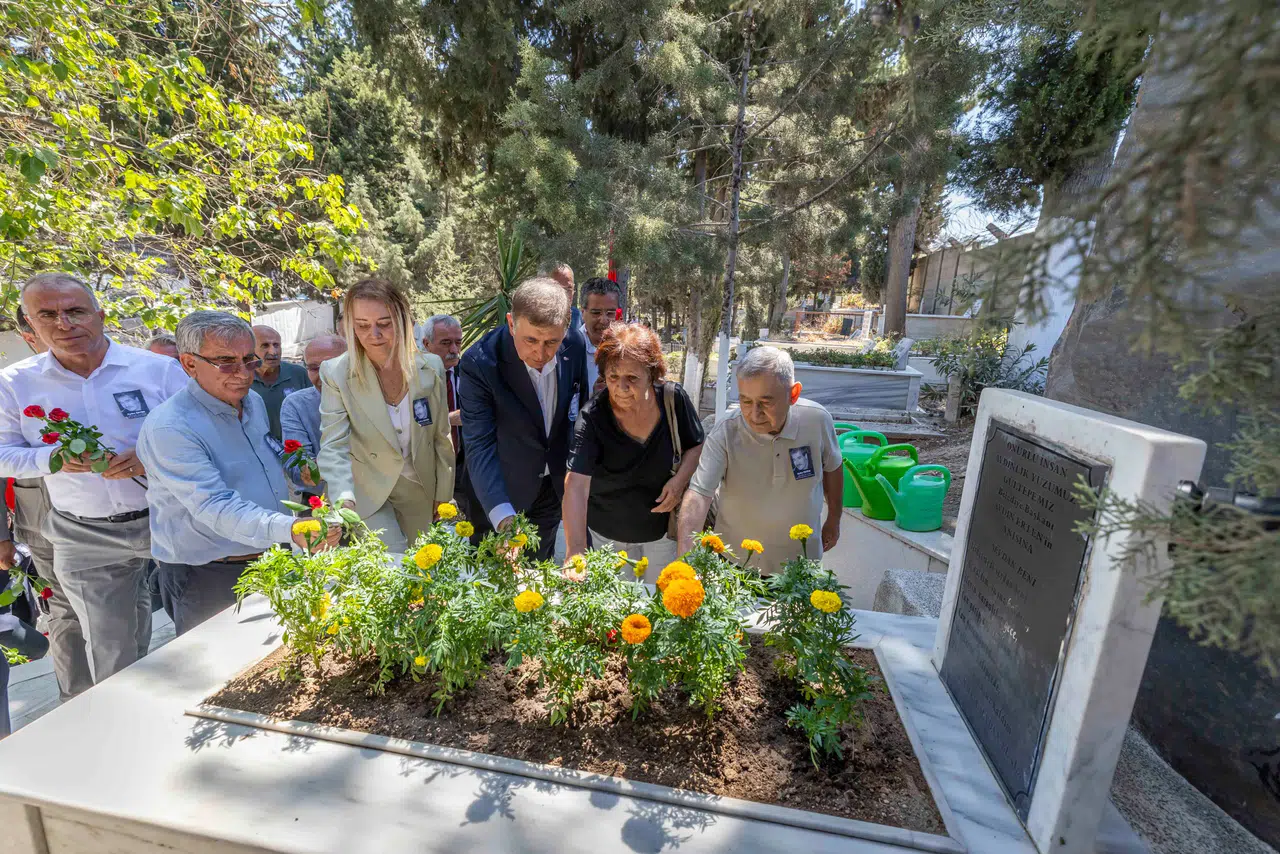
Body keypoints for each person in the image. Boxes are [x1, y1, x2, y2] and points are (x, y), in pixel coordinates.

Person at [0, 273, 187, 683]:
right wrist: (54, 458)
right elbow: (2, 454)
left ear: (100, 316)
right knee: (112, 650)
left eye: (75, 311)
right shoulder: (14, 384)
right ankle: (128, 717)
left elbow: (200, 436)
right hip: (85, 535)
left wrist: (150, 458)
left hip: (169, 518)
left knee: (202, 622)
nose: (64, 324)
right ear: (30, 325)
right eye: (48, 315)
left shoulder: (158, 371)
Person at [136, 312, 341, 635]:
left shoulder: (252, 401)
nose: (243, 374)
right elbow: (215, 507)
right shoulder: (171, 427)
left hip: (270, 556)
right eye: (226, 362)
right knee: (220, 664)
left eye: (249, 360)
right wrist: (291, 528)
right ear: (189, 364)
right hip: (210, 576)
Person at [677, 345, 842, 574]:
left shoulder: (817, 420)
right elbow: (699, 494)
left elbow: (833, 467)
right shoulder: (726, 431)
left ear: (793, 394)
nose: (754, 414)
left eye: (766, 402)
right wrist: (685, 561)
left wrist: (834, 518)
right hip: (737, 565)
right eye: (746, 401)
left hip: (801, 566)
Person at [317, 279, 454, 553]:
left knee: (423, 566)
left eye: (384, 323)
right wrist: (343, 497)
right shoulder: (336, 373)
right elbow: (333, 444)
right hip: (365, 492)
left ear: (402, 320)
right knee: (392, 562)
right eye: (362, 325)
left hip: (419, 487)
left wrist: (444, 494)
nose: (374, 334)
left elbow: (441, 436)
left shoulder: (431, 367)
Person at [0, 308, 93, 702]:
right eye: (47, 323)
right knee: (65, 609)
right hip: (44, 518)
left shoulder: (93, 375)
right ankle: (78, 698)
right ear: (30, 335)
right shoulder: (13, 385)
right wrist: (2, 537)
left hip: (107, 514)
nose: (63, 330)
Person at [458, 277, 588, 560]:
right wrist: (503, 519)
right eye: (530, 340)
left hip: (551, 491)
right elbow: (479, 445)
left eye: (552, 342)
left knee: (539, 574)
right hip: (497, 494)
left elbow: (578, 416)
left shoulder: (575, 345)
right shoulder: (479, 363)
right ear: (511, 322)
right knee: (490, 579)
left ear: (566, 329)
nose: (540, 354)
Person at [563, 323, 703, 576]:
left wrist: (679, 482)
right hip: (608, 538)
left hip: (662, 535)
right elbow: (576, 485)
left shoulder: (673, 400)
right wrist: (575, 551)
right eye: (613, 377)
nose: (621, 388)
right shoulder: (593, 417)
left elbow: (695, 445)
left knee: (661, 596)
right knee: (616, 600)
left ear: (653, 374)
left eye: (632, 378)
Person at [279, 334, 347, 498]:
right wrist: (309, 470)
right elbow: (296, 466)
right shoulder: (295, 405)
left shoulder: (374, 398)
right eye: (314, 368)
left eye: (331, 365)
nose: (323, 375)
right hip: (321, 500)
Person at [421, 314, 467, 515]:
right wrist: (448, 419)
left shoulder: (470, 372)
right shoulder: (414, 376)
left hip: (465, 466)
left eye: (458, 342)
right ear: (426, 344)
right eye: (446, 343)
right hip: (427, 466)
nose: (454, 350)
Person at [250, 324, 309, 441]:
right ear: (250, 349)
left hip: (297, 447)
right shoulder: (241, 378)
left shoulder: (299, 374)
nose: (273, 352)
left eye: (276, 345)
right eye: (265, 345)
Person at [579, 277, 623, 396]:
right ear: (583, 313)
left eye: (610, 313)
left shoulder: (627, 349)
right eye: (596, 313)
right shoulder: (567, 350)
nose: (604, 320)